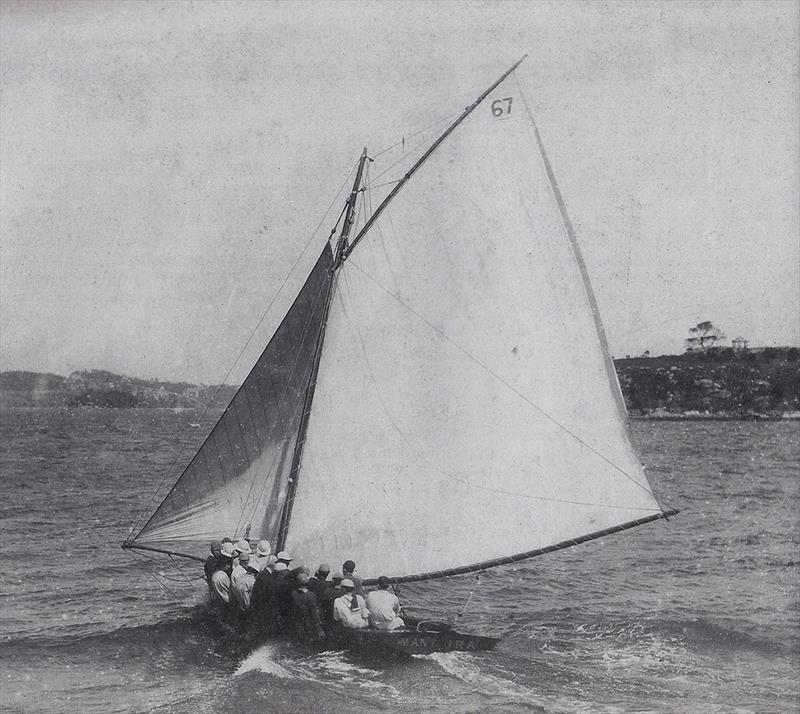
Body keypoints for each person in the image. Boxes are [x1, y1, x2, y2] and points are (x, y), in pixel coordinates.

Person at [290, 573, 325, 642]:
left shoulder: (293, 594)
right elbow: (314, 612)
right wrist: (319, 628)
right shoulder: (311, 595)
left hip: (296, 622)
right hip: (308, 623)